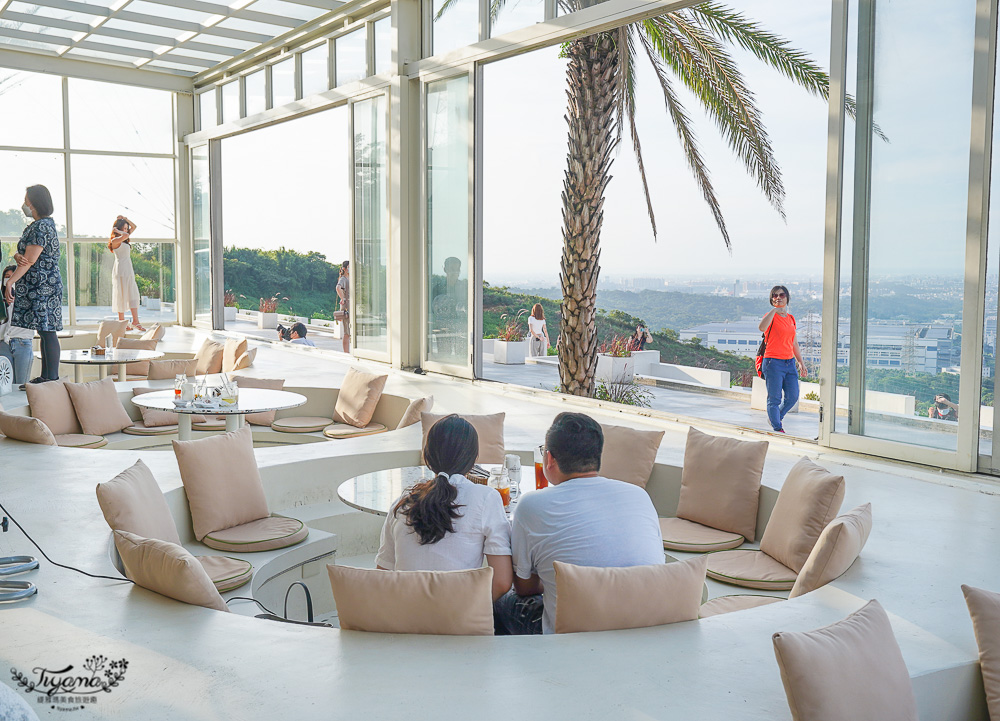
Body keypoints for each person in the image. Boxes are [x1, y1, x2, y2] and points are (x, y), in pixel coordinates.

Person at [494, 412, 663, 635]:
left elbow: (524, 588)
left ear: (550, 459)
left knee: (500, 597)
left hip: (570, 636)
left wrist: (562, 580)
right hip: (639, 627)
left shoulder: (532, 505)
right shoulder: (639, 495)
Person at [375, 415, 513, 601]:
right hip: (459, 622)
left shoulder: (403, 503)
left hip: (406, 621)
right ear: (473, 460)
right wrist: (474, 610)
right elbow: (502, 583)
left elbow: (382, 576)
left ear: (427, 456)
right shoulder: (486, 498)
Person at [5, 185, 63, 384]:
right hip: (40, 285)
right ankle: (47, 376)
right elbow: (24, 256)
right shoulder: (39, 225)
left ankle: (51, 377)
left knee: (47, 331)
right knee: (44, 330)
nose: (24, 205)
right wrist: (17, 255)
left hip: (43, 286)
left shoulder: (41, 227)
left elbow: (29, 260)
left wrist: (10, 282)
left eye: (26, 201)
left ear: (34, 203)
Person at [758, 284, 806, 434]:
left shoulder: (791, 318)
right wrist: (774, 310)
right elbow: (761, 327)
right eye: (775, 296)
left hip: (789, 362)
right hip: (773, 362)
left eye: (781, 295)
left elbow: (794, 343)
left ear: (787, 297)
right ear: (771, 299)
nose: (778, 298)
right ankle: (777, 428)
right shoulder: (770, 316)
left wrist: (800, 362)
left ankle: (776, 417)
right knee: (774, 398)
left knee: (792, 397)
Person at [108, 215, 145, 331]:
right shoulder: (115, 240)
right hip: (120, 270)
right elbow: (127, 235)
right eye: (123, 228)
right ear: (117, 228)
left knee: (132, 294)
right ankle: (122, 323)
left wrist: (125, 219)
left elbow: (134, 227)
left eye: (125, 228)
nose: (126, 230)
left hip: (128, 269)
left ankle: (135, 321)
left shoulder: (124, 238)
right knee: (121, 294)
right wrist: (117, 231)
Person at [0, 266, 34, 387]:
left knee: (22, 384)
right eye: (6, 277)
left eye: (12, 276)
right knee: (5, 385)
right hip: (3, 343)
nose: (9, 280)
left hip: (22, 343)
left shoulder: (27, 296)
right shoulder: (1, 299)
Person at [336, 260, 350, 353]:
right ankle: (346, 352)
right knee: (347, 332)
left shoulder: (349, 279)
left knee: (349, 332)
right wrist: (343, 298)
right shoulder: (343, 279)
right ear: (344, 269)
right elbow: (338, 287)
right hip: (346, 307)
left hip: (350, 307)